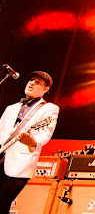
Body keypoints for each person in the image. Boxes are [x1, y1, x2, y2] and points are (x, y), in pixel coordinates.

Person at [0, 71, 59, 212]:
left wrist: (32, 142)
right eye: (31, 80)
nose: (32, 83)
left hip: (18, 164)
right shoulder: (11, 108)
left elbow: (45, 134)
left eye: (38, 82)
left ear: (46, 89)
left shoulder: (49, 108)